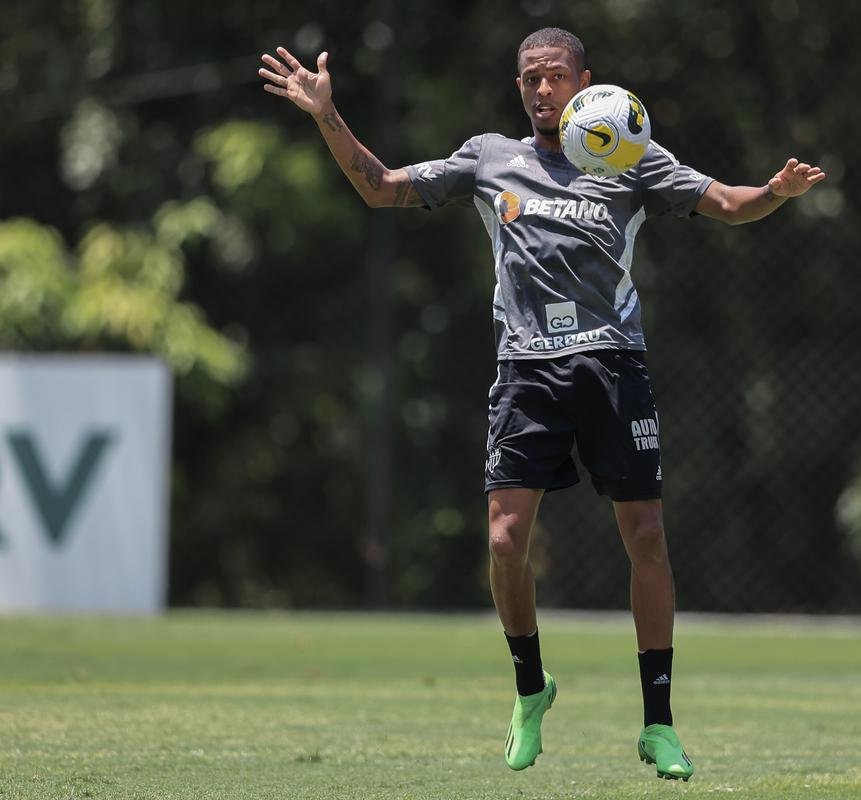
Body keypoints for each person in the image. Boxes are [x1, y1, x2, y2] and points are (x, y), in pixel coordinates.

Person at [260, 27, 824, 781]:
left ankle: (658, 723)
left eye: (555, 75)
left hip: (613, 364)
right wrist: (327, 113)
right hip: (525, 369)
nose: (542, 89)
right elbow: (381, 186)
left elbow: (724, 202)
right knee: (503, 542)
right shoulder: (491, 157)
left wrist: (775, 194)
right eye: (530, 78)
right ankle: (531, 688)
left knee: (647, 535)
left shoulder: (628, 153)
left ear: (585, 79)